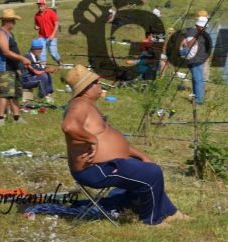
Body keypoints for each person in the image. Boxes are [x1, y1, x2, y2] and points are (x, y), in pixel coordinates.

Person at [62, 65, 187, 225]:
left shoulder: (88, 105)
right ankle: (152, 221)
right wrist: (92, 140)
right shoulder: (79, 105)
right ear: (86, 88)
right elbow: (69, 126)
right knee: (152, 173)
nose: (100, 84)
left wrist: (141, 155)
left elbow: (108, 138)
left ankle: (170, 212)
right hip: (94, 169)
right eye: (96, 82)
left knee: (146, 169)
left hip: (107, 165)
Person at [0, 9, 33, 123]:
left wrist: (19, 65)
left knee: (15, 94)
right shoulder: (0, 33)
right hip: (4, 67)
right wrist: (22, 58)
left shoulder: (9, 33)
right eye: (13, 21)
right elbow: (6, 52)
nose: (14, 23)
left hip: (13, 67)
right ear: (7, 21)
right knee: (5, 94)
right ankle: (0, 118)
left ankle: (16, 117)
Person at [181, 17, 213, 104]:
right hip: (194, 59)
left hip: (200, 59)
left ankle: (196, 97)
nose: (204, 29)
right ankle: (199, 101)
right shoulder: (192, 33)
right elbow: (189, 44)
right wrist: (197, 35)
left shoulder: (203, 33)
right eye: (202, 27)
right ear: (197, 26)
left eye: (205, 27)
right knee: (198, 80)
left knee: (197, 79)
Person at [34, 0, 62, 66]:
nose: (40, 7)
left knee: (53, 53)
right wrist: (36, 27)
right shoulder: (36, 15)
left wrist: (53, 35)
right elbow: (36, 25)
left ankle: (60, 62)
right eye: (39, 6)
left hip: (51, 36)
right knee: (42, 53)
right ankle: (43, 66)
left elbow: (56, 24)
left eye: (41, 6)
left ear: (45, 5)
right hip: (42, 37)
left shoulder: (51, 12)